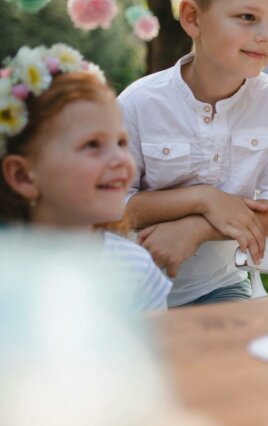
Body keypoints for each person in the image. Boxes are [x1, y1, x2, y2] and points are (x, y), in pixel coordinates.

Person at [118, 0, 268, 307]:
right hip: (126, 292)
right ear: (192, 18)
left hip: (218, 286)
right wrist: (204, 199)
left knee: (238, 358)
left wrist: (198, 228)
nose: (266, 36)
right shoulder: (138, 104)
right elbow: (111, 207)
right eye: (247, 17)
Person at [0, 43, 171, 312]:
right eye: (92, 144)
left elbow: (152, 353)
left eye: (121, 142)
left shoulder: (136, 270)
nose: (120, 159)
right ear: (23, 176)